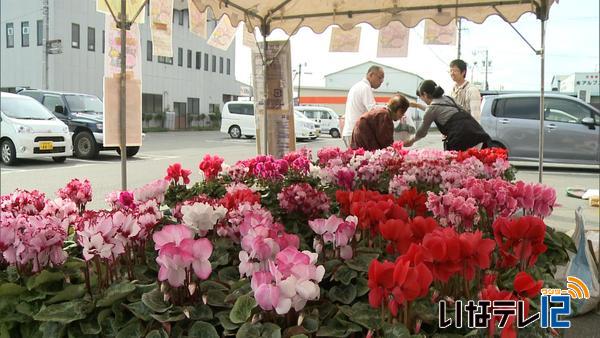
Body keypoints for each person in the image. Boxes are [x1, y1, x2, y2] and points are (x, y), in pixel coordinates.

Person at [403, 80, 491, 151]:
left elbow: (421, 133)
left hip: (462, 140)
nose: (421, 100)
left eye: (420, 97)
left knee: (457, 170)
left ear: (425, 94)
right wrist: (418, 105)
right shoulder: (448, 98)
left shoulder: (432, 108)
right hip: (478, 134)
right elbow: (440, 111)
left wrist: (410, 141)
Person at [342, 66, 385, 147]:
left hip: (349, 131)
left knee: (353, 158)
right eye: (380, 78)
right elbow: (373, 110)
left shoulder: (357, 86)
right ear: (371, 74)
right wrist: (389, 108)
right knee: (360, 158)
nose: (381, 82)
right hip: (356, 133)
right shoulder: (365, 88)